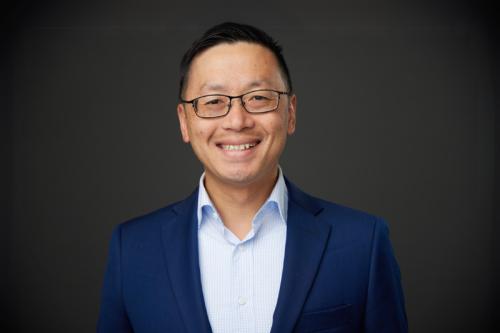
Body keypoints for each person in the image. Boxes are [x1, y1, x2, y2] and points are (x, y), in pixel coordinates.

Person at [97, 22, 408, 333]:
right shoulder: (133, 249)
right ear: (184, 122)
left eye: (259, 97)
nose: (237, 121)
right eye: (214, 101)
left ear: (291, 113)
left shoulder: (363, 243)